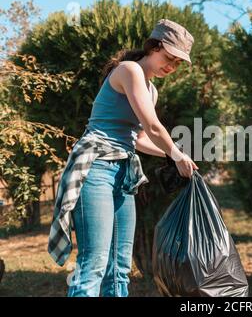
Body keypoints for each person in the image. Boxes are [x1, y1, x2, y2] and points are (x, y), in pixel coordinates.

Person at [47, 19, 198, 297]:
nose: (172, 66)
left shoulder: (151, 90)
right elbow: (153, 126)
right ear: (156, 46)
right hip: (96, 168)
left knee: (119, 269)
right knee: (94, 264)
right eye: (170, 58)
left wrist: (177, 156)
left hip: (123, 174)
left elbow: (139, 138)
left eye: (178, 63)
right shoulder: (129, 70)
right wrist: (175, 153)